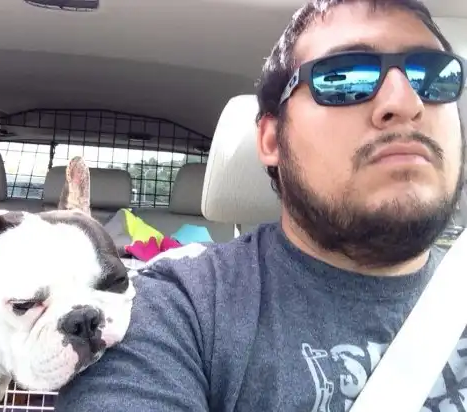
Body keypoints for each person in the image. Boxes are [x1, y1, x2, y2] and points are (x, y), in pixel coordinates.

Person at [55, 0, 467, 410]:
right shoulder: (175, 309)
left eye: (433, 76)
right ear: (271, 140)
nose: (406, 102)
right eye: (344, 77)